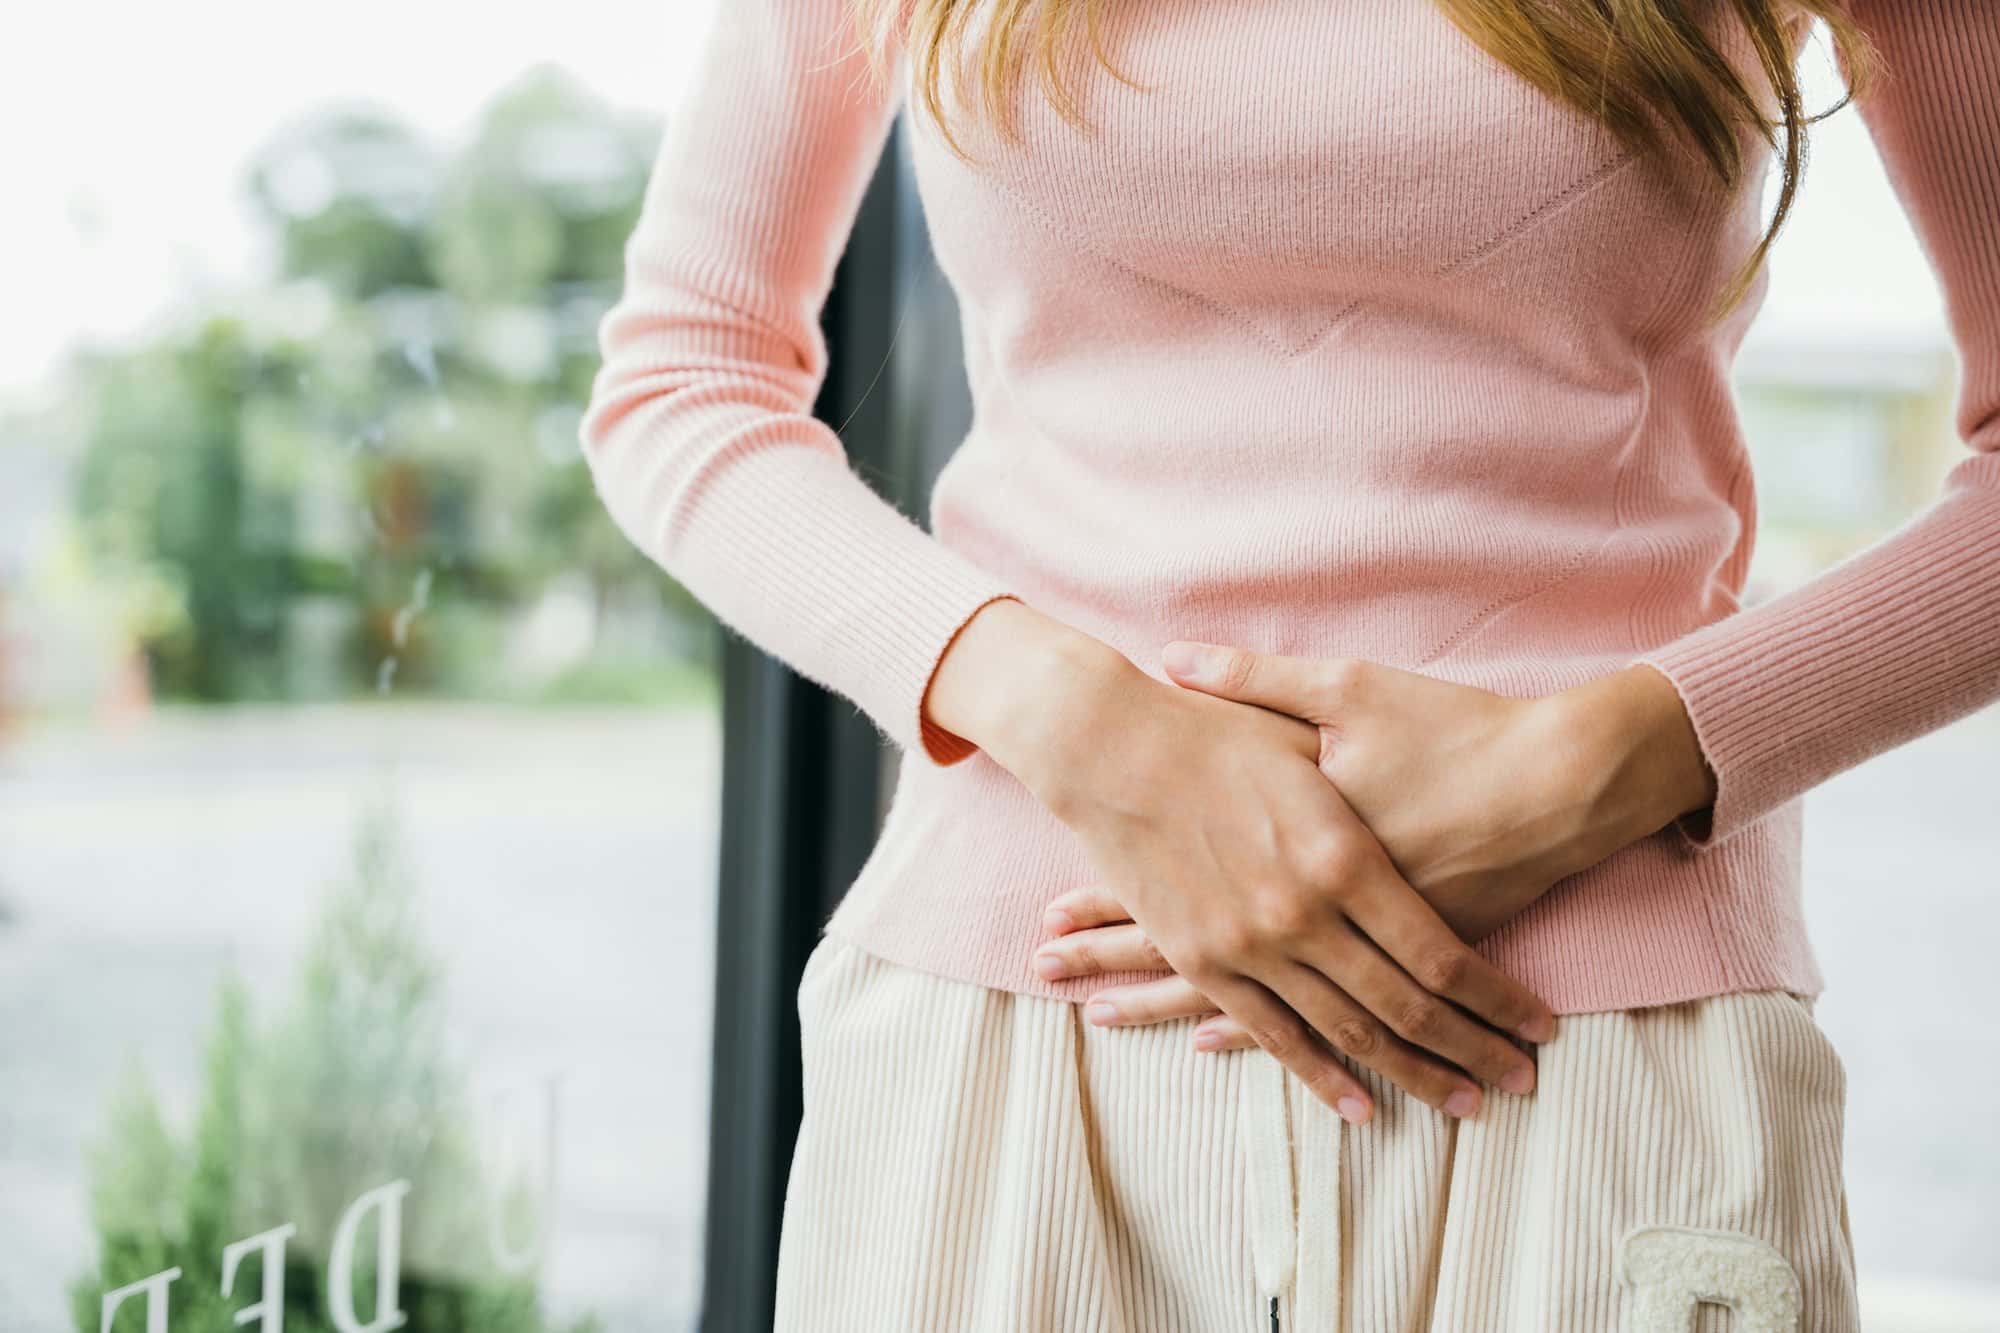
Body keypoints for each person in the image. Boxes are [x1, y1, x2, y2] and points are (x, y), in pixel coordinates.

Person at [579, 0, 1997, 1327]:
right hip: (1023, 1020)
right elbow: (684, 379)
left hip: (1602, 1031)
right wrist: (1078, 720)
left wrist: (1602, 758)